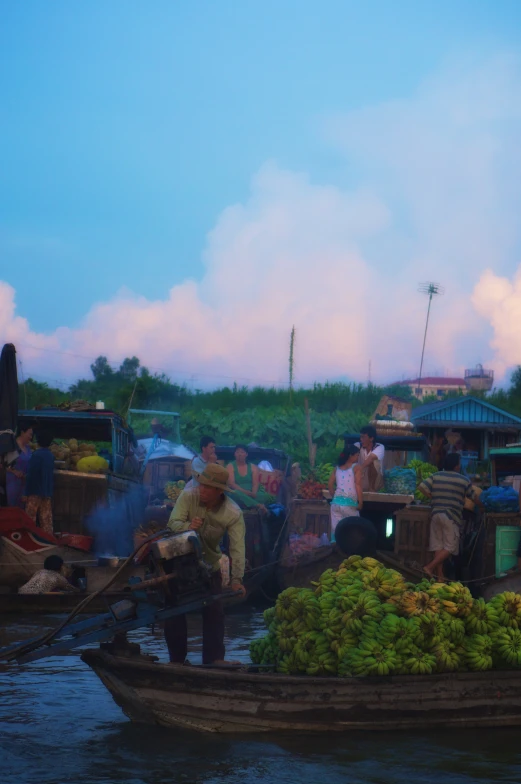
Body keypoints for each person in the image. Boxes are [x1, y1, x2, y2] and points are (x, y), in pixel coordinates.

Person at [165, 463, 246, 665]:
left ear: (219, 491)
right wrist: (187, 527)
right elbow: (172, 523)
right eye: (201, 484)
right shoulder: (188, 496)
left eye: (207, 487)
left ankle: (214, 660)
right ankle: (177, 661)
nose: (201, 489)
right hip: (177, 564)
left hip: (209, 565)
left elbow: (237, 548)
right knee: (173, 611)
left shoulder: (233, 513)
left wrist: (237, 579)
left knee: (214, 612)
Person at [420, 453, 481, 579]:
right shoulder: (463, 480)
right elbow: (474, 497)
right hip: (451, 516)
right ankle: (429, 567)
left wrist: (433, 498)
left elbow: (421, 487)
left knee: (439, 546)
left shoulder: (436, 476)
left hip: (436, 514)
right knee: (451, 547)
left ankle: (440, 578)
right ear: (456, 466)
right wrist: (483, 507)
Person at [328, 446, 363, 541]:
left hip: (335, 504)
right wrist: (360, 502)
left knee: (336, 530)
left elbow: (330, 485)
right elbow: (358, 485)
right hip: (349, 504)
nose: (357, 457)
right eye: (357, 455)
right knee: (353, 529)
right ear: (350, 456)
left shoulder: (337, 468)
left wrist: (335, 497)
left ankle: (335, 550)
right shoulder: (356, 468)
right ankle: (350, 551)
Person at [25, 430, 55, 535]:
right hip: (46, 491)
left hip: (35, 490)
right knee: (46, 518)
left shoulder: (36, 455)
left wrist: (26, 493)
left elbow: (31, 475)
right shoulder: (51, 456)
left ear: (37, 441)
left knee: (30, 517)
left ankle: (29, 538)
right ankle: (48, 539)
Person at [226, 444, 271, 511]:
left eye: (242, 452)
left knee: (264, 496)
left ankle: (250, 503)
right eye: (237, 452)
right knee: (235, 494)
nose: (239, 454)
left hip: (251, 493)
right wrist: (246, 493)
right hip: (239, 492)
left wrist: (253, 493)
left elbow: (255, 484)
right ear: (235, 454)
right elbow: (232, 484)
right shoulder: (230, 466)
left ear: (246, 454)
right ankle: (257, 505)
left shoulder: (253, 467)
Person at [6, 424, 34, 507]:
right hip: (13, 483)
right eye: (30, 434)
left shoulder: (28, 448)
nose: (31, 437)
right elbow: (3, 463)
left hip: (25, 485)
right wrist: (14, 471)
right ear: (22, 433)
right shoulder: (12, 447)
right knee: (12, 509)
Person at [354, 426, 385, 492]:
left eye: (363, 437)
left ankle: (372, 489)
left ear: (371, 438)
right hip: (361, 480)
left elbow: (371, 458)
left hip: (375, 482)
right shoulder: (357, 446)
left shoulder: (380, 447)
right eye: (361, 437)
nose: (361, 439)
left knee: (374, 462)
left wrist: (360, 469)